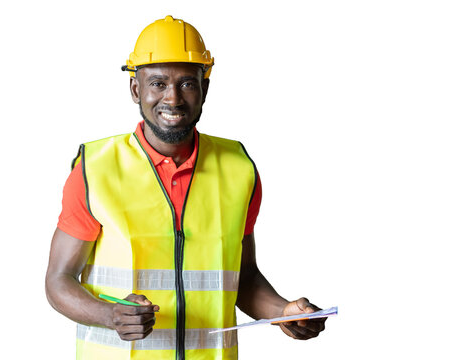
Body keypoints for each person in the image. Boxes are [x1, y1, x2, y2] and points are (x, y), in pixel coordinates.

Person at [45, 15, 326, 360]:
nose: (173, 99)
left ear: (204, 88)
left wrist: (284, 312)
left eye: (187, 84)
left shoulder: (239, 170)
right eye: (158, 83)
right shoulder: (95, 168)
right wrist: (109, 314)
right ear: (136, 89)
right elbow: (58, 280)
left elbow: (244, 279)